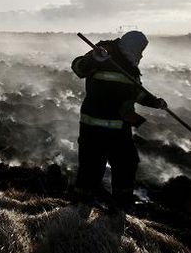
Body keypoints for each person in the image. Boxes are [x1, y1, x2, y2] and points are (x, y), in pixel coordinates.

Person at [71, 30, 167, 211]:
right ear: (131, 46)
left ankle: (120, 210)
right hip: (94, 130)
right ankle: (79, 211)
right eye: (140, 49)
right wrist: (94, 58)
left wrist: (154, 102)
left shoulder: (130, 69)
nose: (141, 54)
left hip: (121, 130)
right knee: (90, 171)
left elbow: (136, 93)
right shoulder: (103, 54)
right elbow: (78, 68)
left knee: (127, 166)